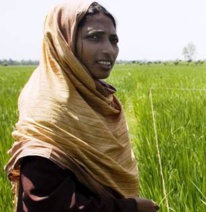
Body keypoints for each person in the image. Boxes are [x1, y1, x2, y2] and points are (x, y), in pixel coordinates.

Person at [4, 1, 158, 211]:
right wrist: (129, 208)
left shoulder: (97, 98)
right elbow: (46, 202)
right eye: (94, 37)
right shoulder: (49, 108)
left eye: (113, 40)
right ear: (64, 41)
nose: (109, 50)